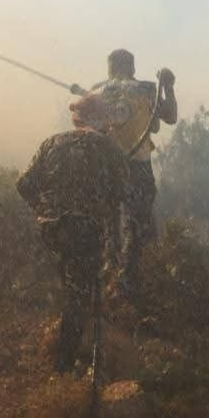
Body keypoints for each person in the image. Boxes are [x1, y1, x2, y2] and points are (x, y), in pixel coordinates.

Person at [17, 92, 127, 372]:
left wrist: (44, 212)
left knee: (64, 283)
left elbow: (24, 185)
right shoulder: (110, 148)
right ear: (102, 120)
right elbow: (119, 198)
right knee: (78, 297)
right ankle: (63, 367)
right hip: (84, 232)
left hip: (49, 231)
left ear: (77, 118)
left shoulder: (52, 142)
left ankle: (38, 339)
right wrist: (113, 247)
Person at [87, 49, 177, 297]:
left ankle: (111, 271)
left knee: (109, 220)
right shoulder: (146, 89)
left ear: (111, 67)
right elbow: (170, 116)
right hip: (137, 165)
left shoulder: (96, 90)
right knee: (136, 223)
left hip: (105, 165)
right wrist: (168, 87)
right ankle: (128, 281)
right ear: (132, 68)